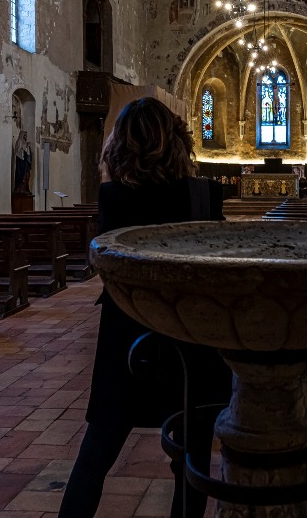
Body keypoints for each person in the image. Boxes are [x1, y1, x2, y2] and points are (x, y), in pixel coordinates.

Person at [59, 97, 231, 518]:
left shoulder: (113, 197)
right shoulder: (202, 194)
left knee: (95, 456)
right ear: (176, 141)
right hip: (192, 339)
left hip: (128, 339)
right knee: (191, 462)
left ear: (121, 143)